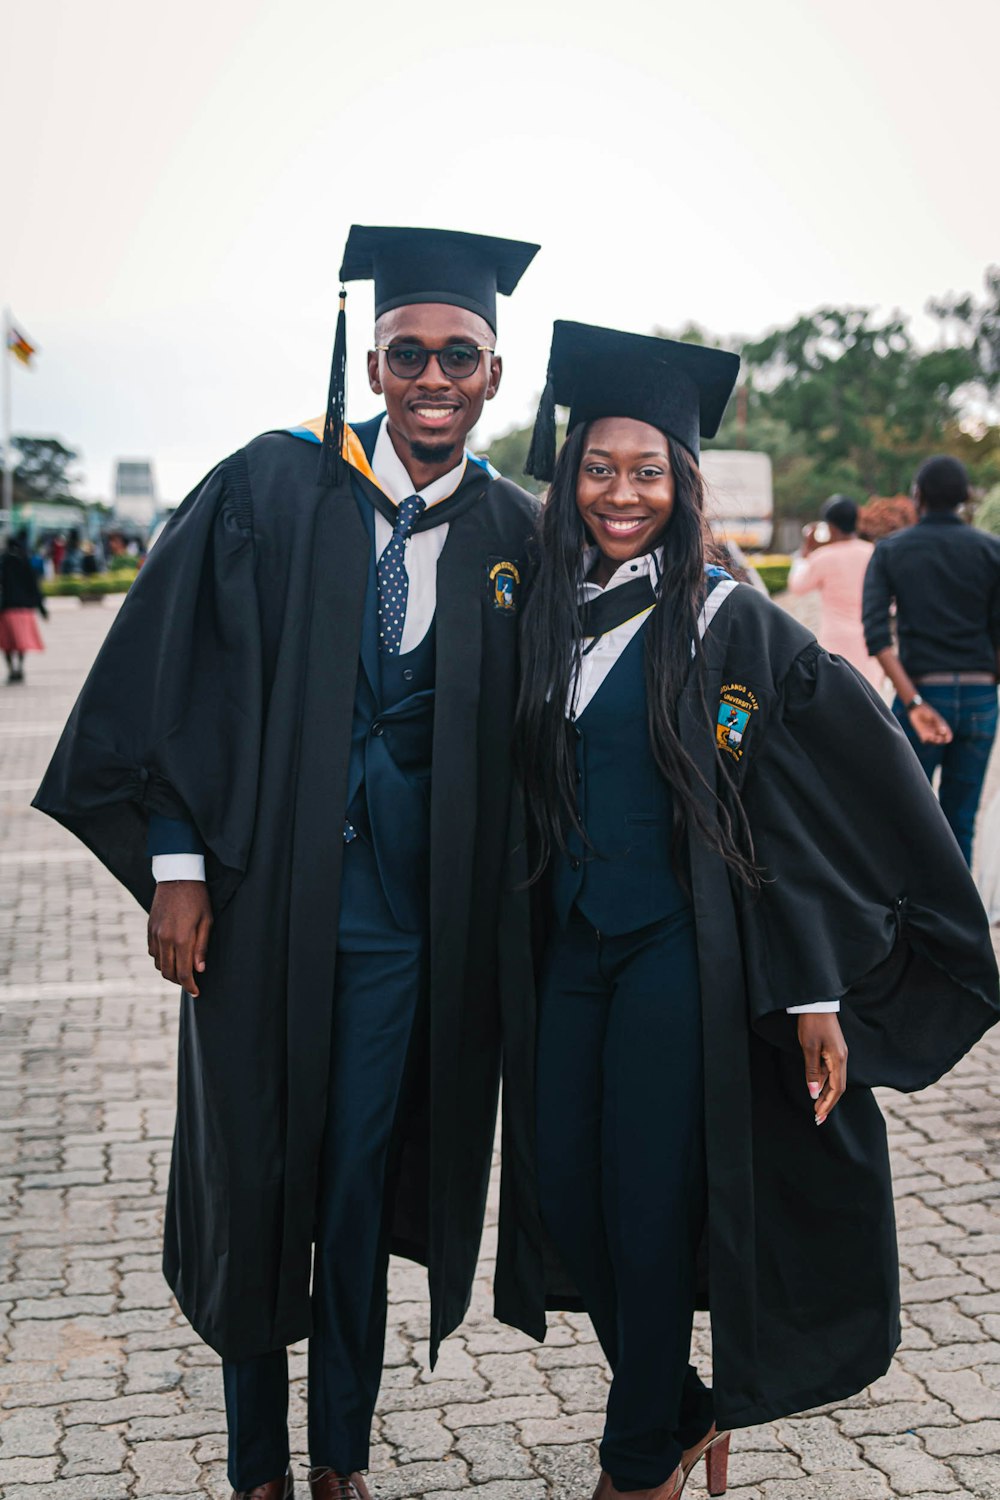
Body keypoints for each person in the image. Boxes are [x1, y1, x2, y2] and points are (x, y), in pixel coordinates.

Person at [34, 224, 541, 1500]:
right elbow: (177, 670)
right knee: (260, 1175)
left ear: (495, 371)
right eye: (407, 352)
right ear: (371, 363)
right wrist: (177, 867)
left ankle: (342, 1458)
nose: (432, 377)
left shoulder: (515, 534)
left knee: (360, 1185)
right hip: (261, 905)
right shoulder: (271, 486)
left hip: (403, 926)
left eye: (459, 356)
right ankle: (257, 1460)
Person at [496, 322, 999, 1500]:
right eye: (600, 468)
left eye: (648, 471)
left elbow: (815, 813)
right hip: (569, 951)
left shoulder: (732, 625)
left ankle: (633, 1465)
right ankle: (676, 1411)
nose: (622, 492)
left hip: (679, 959)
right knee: (565, 1187)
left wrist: (816, 989)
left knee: (645, 1203)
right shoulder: (534, 617)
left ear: (684, 486)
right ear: (569, 479)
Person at [862, 455, 1000, 865]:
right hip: (980, 697)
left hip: (920, 692)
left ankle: (911, 918)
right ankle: (958, 924)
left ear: (917, 495)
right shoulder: (992, 550)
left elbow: (876, 635)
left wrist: (915, 703)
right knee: (961, 818)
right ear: (964, 498)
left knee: (904, 817)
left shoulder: (891, 551)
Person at [787, 494, 880, 687]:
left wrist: (805, 553)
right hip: (870, 641)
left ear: (829, 526)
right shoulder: (874, 553)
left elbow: (797, 586)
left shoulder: (823, 557)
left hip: (836, 642)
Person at [0, 530, 48, 682]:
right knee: (21, 643)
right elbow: (34, 587)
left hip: (6, 609)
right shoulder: (25, 561)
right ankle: (20, 667)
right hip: (24, 610)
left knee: (7, 644)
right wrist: (41, 608)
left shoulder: (3, 561)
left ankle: (11, 670)